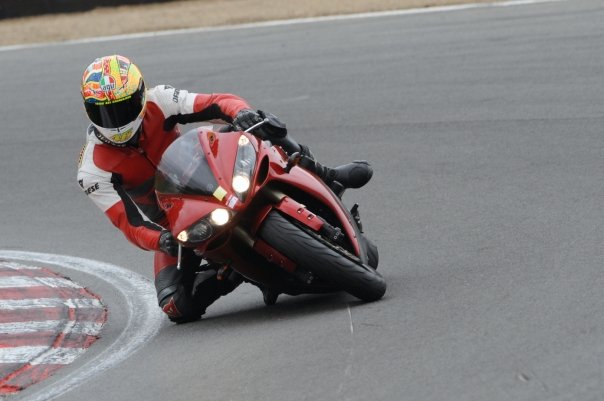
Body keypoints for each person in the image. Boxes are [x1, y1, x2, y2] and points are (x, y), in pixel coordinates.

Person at [77, 54, 373, 323]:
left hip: (214, 173)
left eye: (124, 107)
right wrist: (162, 240)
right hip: (180, 222)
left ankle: (325, 174)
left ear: (141, 95)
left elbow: (217, 102)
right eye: (105, 113)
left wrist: (241, 113)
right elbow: (129, 224)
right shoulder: (92, 169)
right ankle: (231, 272)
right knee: (174, 305)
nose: (116, 121)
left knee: (260, 124)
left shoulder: (161, 101)